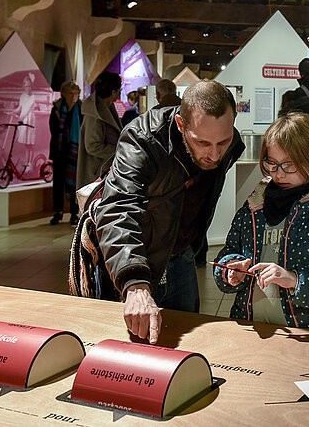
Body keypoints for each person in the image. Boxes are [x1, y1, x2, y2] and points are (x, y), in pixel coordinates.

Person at [93, 80, 244, 344]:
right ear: (180, 124)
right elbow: (119, 207)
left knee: (185, 347)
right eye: (203, 143)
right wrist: (134, 282)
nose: (214, 154)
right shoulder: (143, 138)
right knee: (131, 349)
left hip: (181, 255)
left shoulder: (229, 144)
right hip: (139, 256)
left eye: (223, 141)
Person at [213, 112, 309, 330]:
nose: (278, 174)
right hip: (250, 329)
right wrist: (229, 270)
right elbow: (227, 253)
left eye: (289, 165)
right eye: (271, 163)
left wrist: (294, 280)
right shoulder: (254, 205)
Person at [77, 71, 122, 188]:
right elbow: (92, 146)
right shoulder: (94, 114)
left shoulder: (106, 108)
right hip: (96, 172)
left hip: (104, 171)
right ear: (113, 92)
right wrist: (120, 150)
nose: (120, 93)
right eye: (119, 90)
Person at [48, 81, 82, 226]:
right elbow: (53, 129)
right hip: (60, 150)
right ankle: (58, 212)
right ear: (63, 93)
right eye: (71, 93)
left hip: (75, 151)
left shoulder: (81, 108)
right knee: (58, 182)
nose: (74, 96)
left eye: (76, 93)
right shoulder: (56, 108)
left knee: (75, 183)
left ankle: (74, 213)